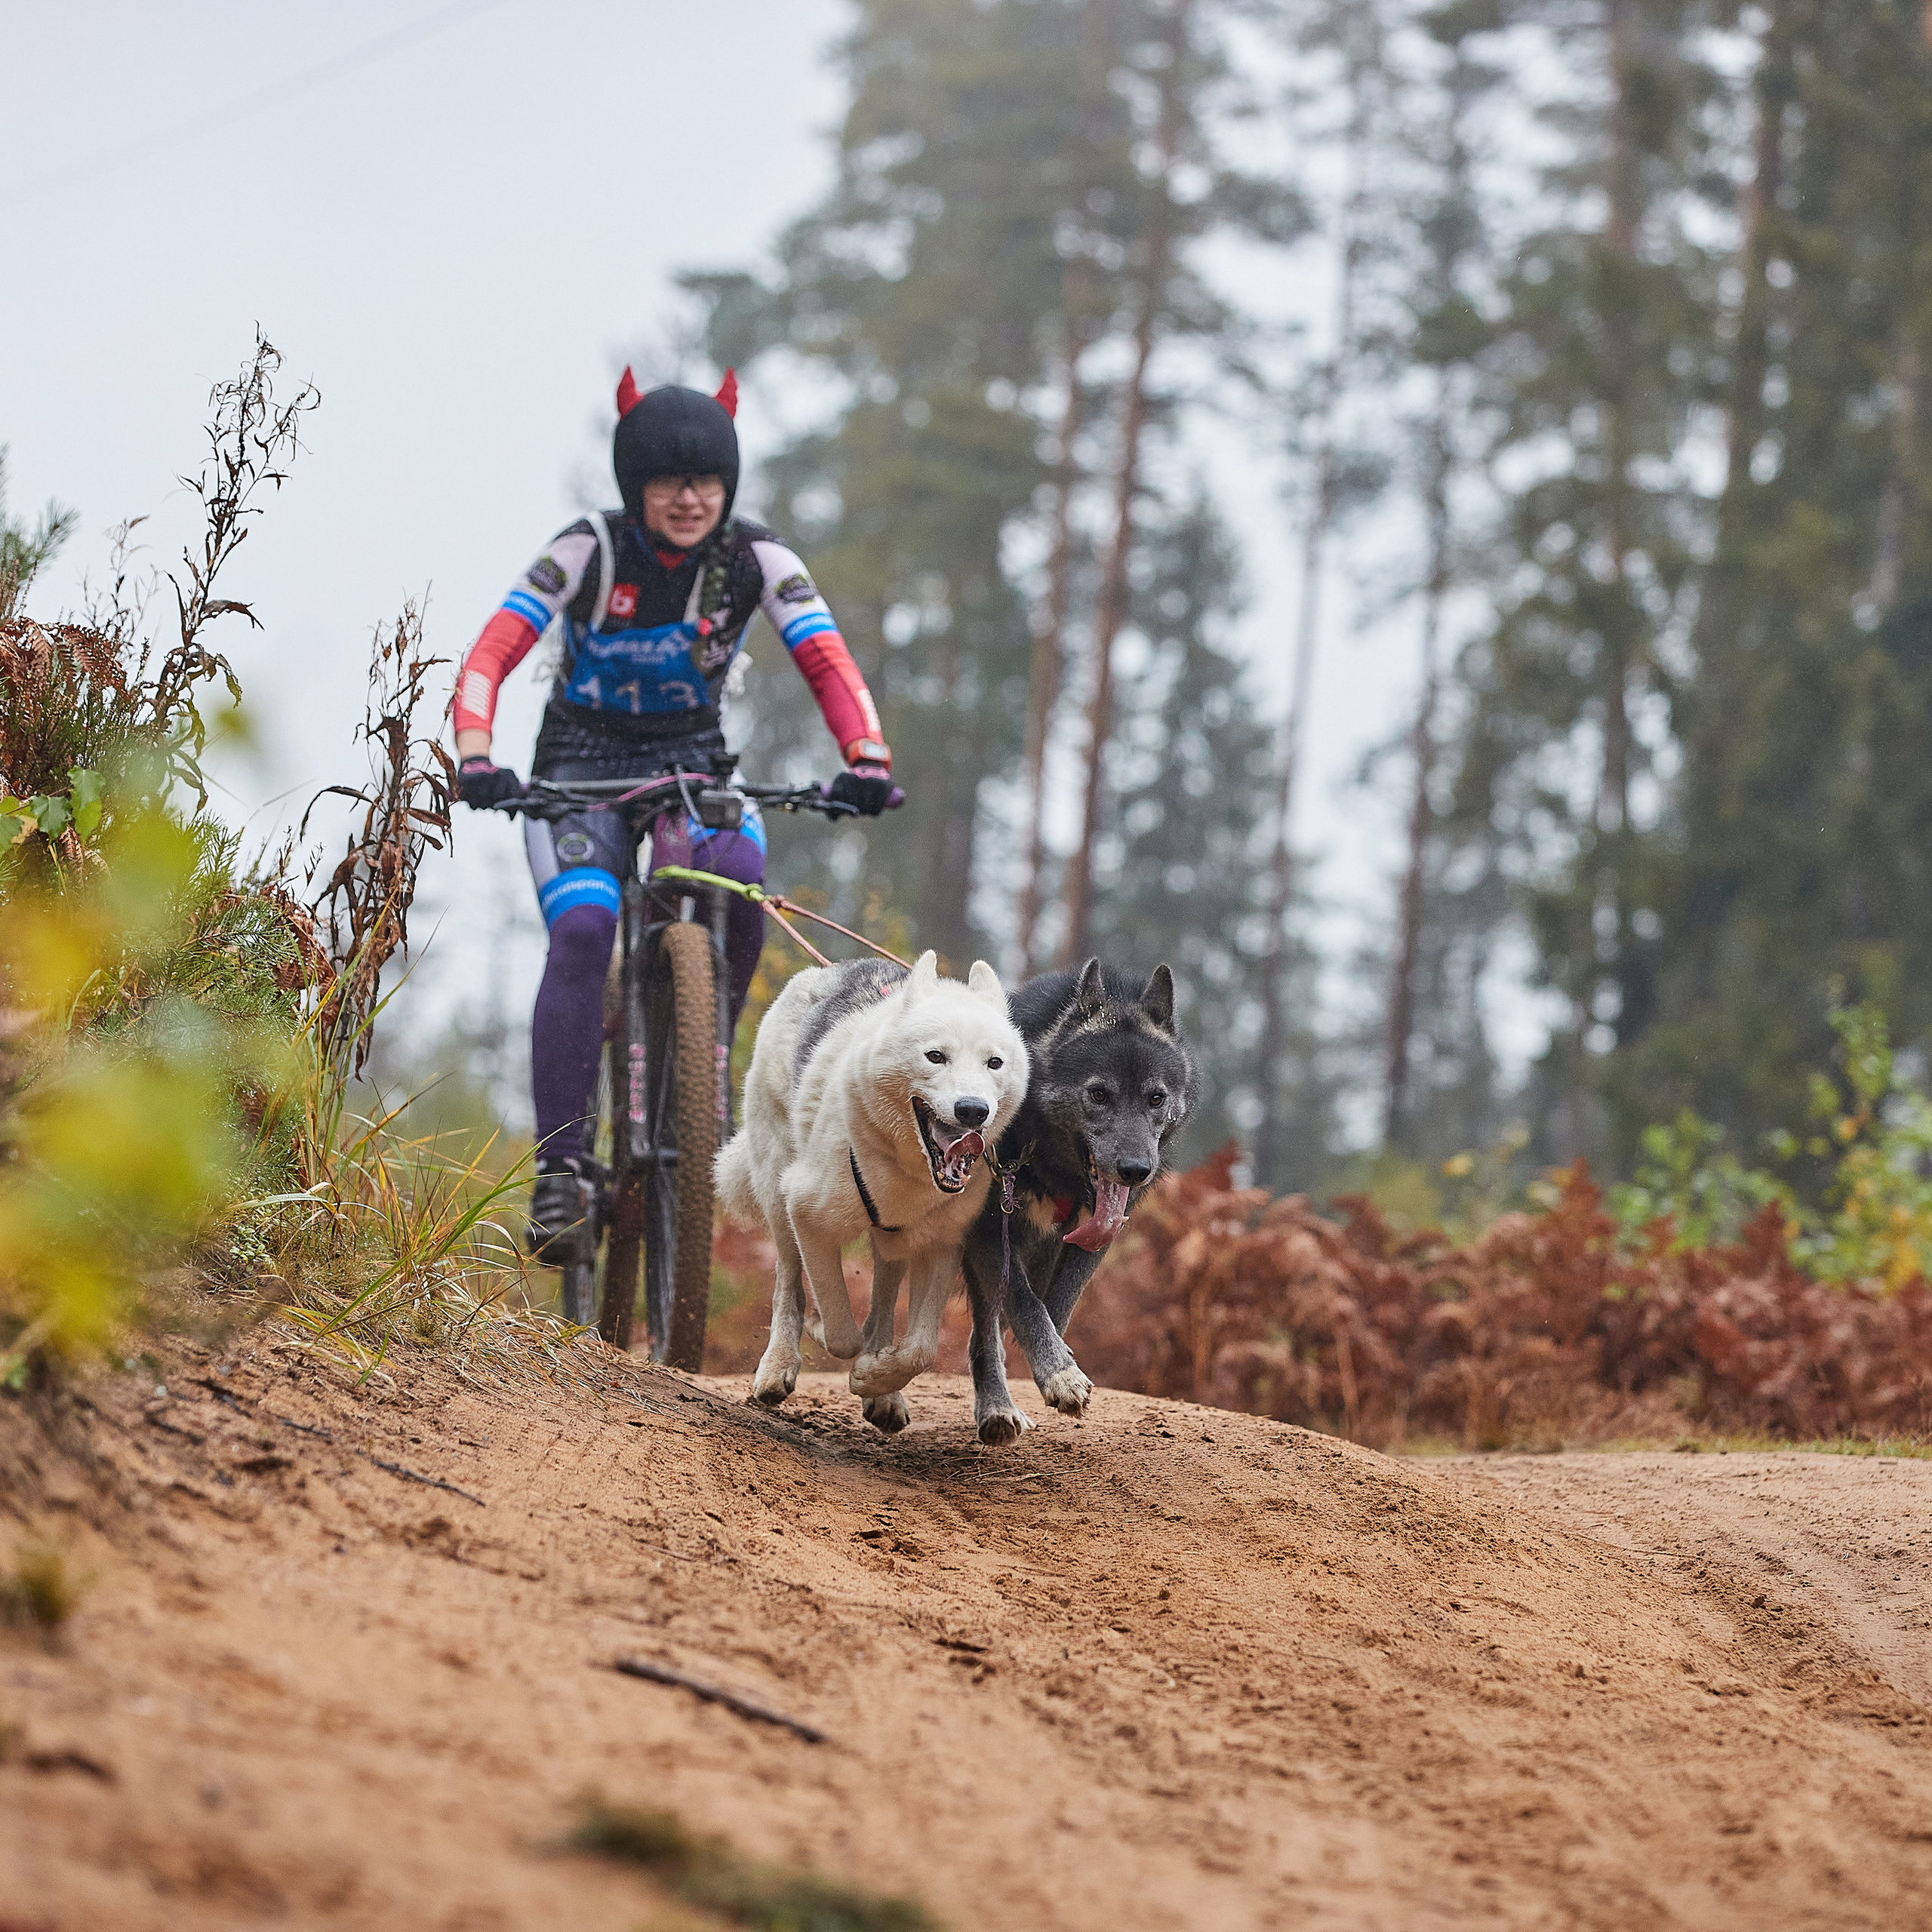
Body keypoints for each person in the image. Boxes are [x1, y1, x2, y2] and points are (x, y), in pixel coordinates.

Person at [451, 368, 895, 1258]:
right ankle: (560, 1169)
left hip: (692, 764)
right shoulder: (588, 549)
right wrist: (476, 754)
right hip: (577, 768)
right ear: (635, 486)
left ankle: (700, 1074)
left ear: (728, 486)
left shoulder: (756, 558)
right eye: (668, 482)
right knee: (584, 927)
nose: (690, 499)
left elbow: (826, 659)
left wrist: (867, 758)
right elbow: (493, 652)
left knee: (735, 875)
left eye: (706, 482)